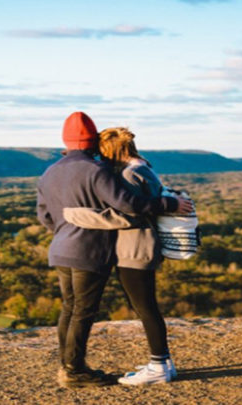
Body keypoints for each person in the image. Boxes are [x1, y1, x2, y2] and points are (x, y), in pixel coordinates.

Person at [36, 113, 193, 388]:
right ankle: (74, 371)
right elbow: (128, 203)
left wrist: (65, 231)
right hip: (90, 250)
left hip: (61, 247)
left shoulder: (49, 172)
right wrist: (169, 204)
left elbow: (45, 216)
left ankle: (68, 366)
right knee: (83, 311)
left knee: (69, 309)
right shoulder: (97, 170)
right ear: (92, 140)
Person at [63, 127, 180, 385]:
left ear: (110, 150)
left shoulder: (129, 174)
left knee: (145, 307)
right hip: (142, 247)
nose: (99, 159)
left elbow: (124, 215)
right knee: (146, 305)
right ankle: (165, 363)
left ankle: (158, 365)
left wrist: (74, 215)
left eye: (101, 152)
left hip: (134, 249)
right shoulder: (144, 168)